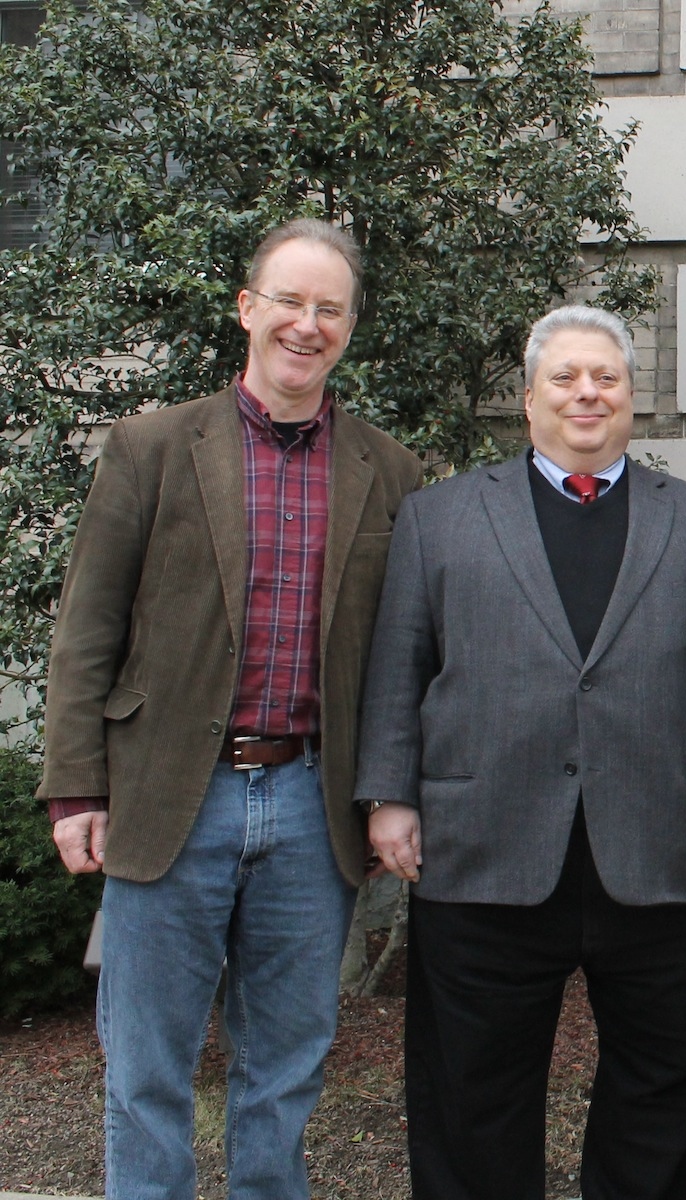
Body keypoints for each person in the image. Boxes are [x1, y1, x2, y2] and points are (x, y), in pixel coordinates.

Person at [36, 219, 422, 1199]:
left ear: (348, 327)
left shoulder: (391, 472)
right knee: (146, 1075)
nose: (306, 323)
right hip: (172, 797)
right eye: (288, 301)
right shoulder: (151, 448)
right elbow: (89, 630)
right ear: (247, 309)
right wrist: (74, 785)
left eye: (328, 309)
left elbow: (402, 658)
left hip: (310, 809)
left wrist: (391, 790)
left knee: (284, 1075)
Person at [356, 305, 686, 1200]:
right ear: (528, 396)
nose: (588, 393)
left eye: (607, 378)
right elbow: (400, 663)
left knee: (660, 1086)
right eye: (567, 377)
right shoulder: (440, 517)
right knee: (472, 1092)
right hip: (483, 846)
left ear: (632, 399)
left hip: (662, 846)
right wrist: (389, 794)